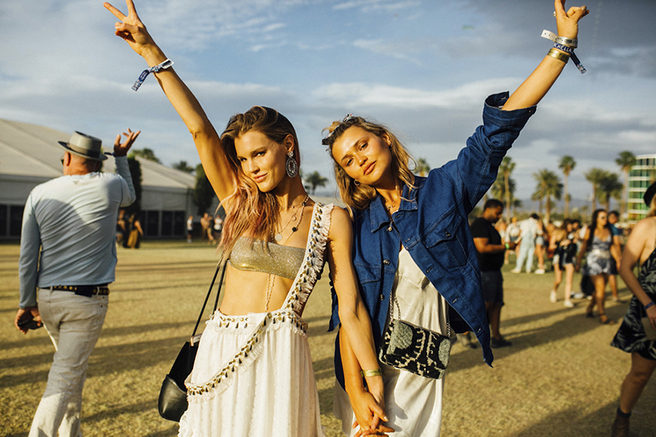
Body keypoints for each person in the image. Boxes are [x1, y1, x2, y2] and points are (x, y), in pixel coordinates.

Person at [104, 2, 385, 435]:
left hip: (282, 359)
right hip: (221, 351)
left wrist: (369, 382)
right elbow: (199, 129)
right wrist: (150, 53)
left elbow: (350, 309)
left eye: (259, 153)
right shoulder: (240, 202)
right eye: (243, 158)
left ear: (287, 145)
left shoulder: (332, 218)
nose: (251, 167)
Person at [323, 2, 589, 434]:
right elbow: (347, 313)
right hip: (364, 364)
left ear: (385, 141)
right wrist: (357, 390)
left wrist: (561, 47)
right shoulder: (354, 223)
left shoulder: (445, 188)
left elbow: (496, 133)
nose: (359, 160)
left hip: (420, 361)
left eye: (362, 146)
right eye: (348, 161)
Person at [14, 128, 139, 436]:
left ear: (69, 157)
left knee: (71, 373)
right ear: (98, 162)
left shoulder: (39, 193)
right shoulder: (111, 184)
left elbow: (28, 256)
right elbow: (130, 196)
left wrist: (26, 303)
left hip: (47, 299)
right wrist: (121, 158)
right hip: (86, 300)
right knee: (65, 376)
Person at [609, 182, 656, 437]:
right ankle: (621, 421)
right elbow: (625, 268)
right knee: (640, 374)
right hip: (650, 309)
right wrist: (648, 304)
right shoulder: (647, 227)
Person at [471, 199, 516, 348]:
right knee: (486, 304)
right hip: (485, 272)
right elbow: (482, 247)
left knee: (497, 304)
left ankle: (496, 336)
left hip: (494, 271)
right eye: (497, 212)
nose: (499, 216)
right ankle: (466, 332)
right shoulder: (479, 225)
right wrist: (506, 246)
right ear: (488, 209)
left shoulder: (489, 226)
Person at [576, 209, 621, 324]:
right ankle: (603, 315)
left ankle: (590, 307)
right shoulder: (590, 230)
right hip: (593, 261)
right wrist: (578, 261)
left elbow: (612, 247)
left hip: (606, 262)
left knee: (599, 289)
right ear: (596, 219)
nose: (605, 219)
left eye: (606, 217)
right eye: (602, 217)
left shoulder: (609, 230)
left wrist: (618, 261)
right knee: (600, 287)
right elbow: (584, 246)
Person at [549, 219, 577, 307]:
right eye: (569, 226)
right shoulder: (558, 233)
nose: (570, 228)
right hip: (559, 257)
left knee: (569, 280)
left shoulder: (574, 235)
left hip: (569, 258)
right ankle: (554, 291)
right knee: (558, 280)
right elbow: (551, 246)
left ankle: (567, 299)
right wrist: (561, 244)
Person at [608, 210, 623, 301]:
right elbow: (616, 243)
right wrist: (619, 257)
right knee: (612, 275)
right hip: (612, 254)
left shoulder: (604, 227)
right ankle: (615, 295)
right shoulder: (613, 228)